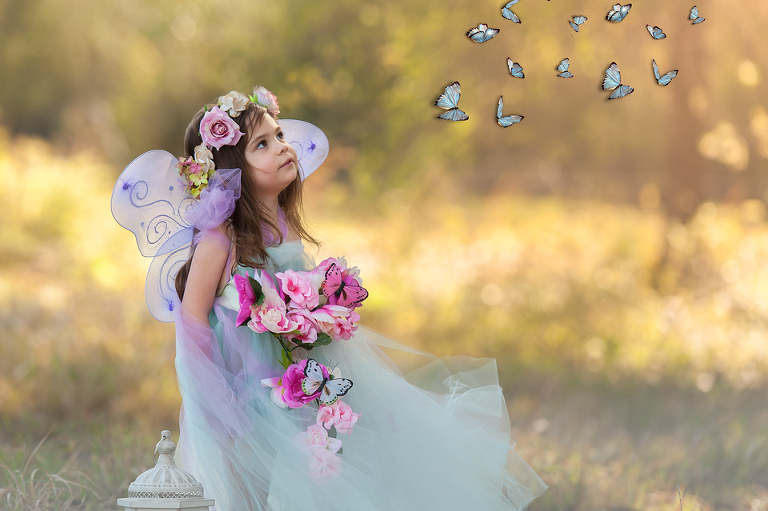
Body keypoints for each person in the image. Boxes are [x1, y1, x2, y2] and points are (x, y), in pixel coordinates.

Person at [112, 87, 547, 511]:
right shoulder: (219, 238)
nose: (283, 148)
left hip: (294, 375)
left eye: (279, 136)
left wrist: (320, 305)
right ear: (232, 168)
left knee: (317, 464)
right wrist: (212, 396)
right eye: (262, 144)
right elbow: (192, 318)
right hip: (240, 383)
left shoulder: (283, 226)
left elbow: (292, 296)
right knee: (248, 484)